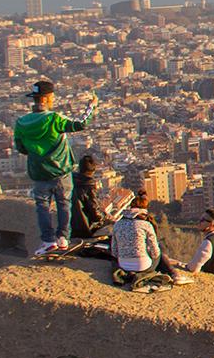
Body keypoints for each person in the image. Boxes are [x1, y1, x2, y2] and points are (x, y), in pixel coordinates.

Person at [13, 79, 90, 254]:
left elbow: (20, 147)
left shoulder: (22, 123)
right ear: (48, 98)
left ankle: (48, 241)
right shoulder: (54, 119)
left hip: (39, 173)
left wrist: (36, 154)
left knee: (42, 206)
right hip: (61, 171)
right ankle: (63, 238)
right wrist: (91, 107)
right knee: (64, 204)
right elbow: (80, 124)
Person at [109, 198, 176, 287]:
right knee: (159, 247)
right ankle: (172, 273)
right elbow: (155, 252)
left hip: (123, 265)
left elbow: (114, 251)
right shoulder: (146, 225)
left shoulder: (117, 224)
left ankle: (130, 274)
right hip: (143, 266)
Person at [182, 209, 214, 278]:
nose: (199, 222)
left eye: (203, 220)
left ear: (212, 223)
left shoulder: (208, 242)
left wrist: (178, 264)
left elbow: (193, 268)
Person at [70, 155, 111, 241]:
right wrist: (105, 217)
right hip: (86, 229)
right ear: (93, 170)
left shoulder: (70, 182)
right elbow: (95, 214)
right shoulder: (88, 185)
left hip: (71, 228)